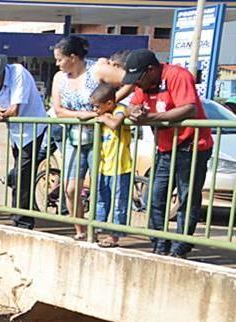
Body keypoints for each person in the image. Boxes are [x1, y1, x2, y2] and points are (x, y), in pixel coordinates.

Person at [124, 49, 214, 258]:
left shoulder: (176, 75)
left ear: (151, 70)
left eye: (138, 79)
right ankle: (159, 244)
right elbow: (131, 106)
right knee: (155, 197)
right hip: (165, 149)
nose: (137, 84)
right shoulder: (143, 86)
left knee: (187, 198)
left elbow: (189, 109)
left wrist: (154, 117)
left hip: (192, 146)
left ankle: (180, 247)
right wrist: (133, 112)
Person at [0, 54, 48, 229]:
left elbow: (14, 110)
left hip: (32, 129)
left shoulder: (18, 73)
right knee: (18, 175)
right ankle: (20, 213)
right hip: (15, 133)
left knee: (22, 174)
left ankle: (22, 221)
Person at [51, 36, 99, 240]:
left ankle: (97, 230)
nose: (57, 63)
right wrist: (81, 115)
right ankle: (80, 229)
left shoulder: (96, 71)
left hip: (98, 136)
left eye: (59, 59)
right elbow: (58, 110)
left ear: (72, 57)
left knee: (100, 186)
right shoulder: (59, 78)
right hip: (73, 137)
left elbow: (124, 84)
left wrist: (102, 113)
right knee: (70, 188)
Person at [90, 83, 133, 248]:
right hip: (104, 166)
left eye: (97, 107)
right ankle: (96, 230)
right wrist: (99, 116)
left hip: (120, 167)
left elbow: (115, 123)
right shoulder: (100, 114)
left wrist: (104, 118)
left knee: (118, 202)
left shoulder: (119, 109)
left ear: (109, 104)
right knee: (101, 200)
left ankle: (114, 236)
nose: (95, 110)